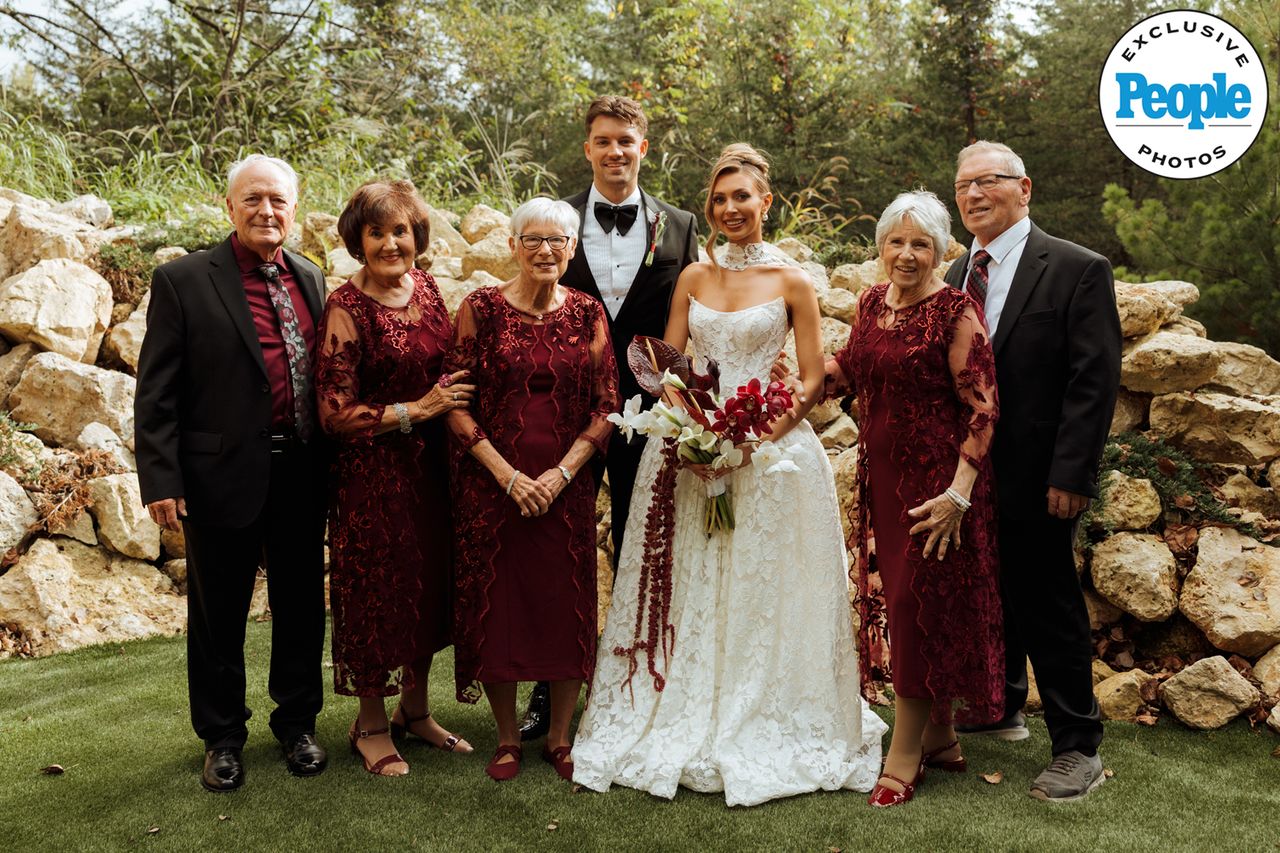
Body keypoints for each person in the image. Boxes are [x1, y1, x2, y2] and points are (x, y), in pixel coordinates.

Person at [572, 144, 886, 806]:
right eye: (718, 200)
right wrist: (691, 430)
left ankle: (764, 706)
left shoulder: (793, 281)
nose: (729, 209)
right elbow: (669, 364)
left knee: (761, 584)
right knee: (693, 578)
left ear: (765, 202)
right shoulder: (692, 276)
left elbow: (810, 379)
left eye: (742, 197)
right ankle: (682, 703)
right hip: (692, 446)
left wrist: (754, 439)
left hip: (771, 454)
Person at [135, 154, 328, 792]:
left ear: (293, 210)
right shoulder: (183, 280)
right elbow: (156, 392)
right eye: (253, 200)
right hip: (218, 474)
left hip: (303, 470)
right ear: (230, 208)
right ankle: (221, 737)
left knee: (301, 605)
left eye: (277, 200)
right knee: (218, 614)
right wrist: (161, 479)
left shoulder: (313, 279)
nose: (266, 211)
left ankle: (298, 723)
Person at [943, 141, 1121, 801]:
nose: (972, 195)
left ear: (1025, 187)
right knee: (991, 594)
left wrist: (1071, 474)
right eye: (962, 186)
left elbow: (1092, 381)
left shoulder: (1077, 267)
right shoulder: (959, 270)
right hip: (969, 469)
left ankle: (1078, 746)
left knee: (1047, 601)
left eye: (986, 181)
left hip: (1042, 469)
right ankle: (1002, 705)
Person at [518, 95, 699, 742]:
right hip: (566, 418)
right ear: (588, 148)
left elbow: (692, 327)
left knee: (641, 550)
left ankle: (635, 689)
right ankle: (547, 690)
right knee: (554, 556)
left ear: (643, 148)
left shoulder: (680, 225)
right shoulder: (555, 220)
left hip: (650, 418)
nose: (616, 151)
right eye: (603, 140)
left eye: (627, 140)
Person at [825, 190, 1003, 807]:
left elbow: (983, 408)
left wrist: (959, 494)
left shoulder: (955, 311)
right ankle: (942, 737)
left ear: (942, 250)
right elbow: (851, 366)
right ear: (880, 246)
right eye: (896, 242)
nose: (906, 255)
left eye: (920, 244)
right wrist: (784, 385)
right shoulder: (872, 301)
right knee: (917, 607)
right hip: (882, 477)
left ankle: (904, 756)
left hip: (937, 489)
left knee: (912, 608)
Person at [444, 197, 620, 782]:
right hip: (493, 485)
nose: (546, 250)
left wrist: (563, 474)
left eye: (558, 241)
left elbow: (606, 406)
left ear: (572, 249)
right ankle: (505, 739)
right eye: (533, 240)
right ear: (513, 245)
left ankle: (560, 738)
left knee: (564, 605)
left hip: (566, 485)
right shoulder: (480, 309)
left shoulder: (589, 313)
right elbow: (455, 405)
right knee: (500, 607)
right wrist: (508, 476)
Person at [313, 180, 477, 776]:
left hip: (433, 472)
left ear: (417, 237)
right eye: (376, 233)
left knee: (428, 585)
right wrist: (419, 410)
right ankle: (372, 724)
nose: (390, 244)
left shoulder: (429, 288)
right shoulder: (345, 308)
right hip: (372, 479)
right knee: (377, 593)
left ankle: (415, 711)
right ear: (358, 240)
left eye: (400, 231)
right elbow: (334, 412)